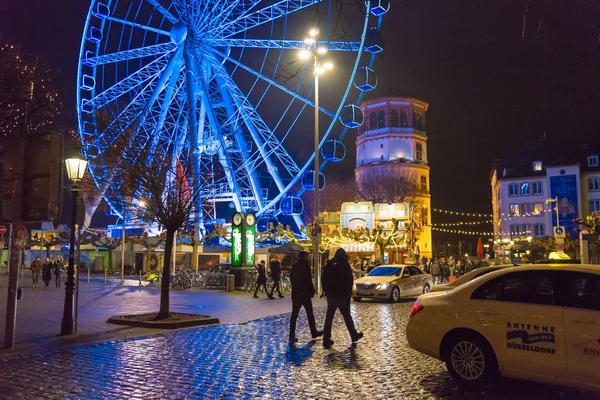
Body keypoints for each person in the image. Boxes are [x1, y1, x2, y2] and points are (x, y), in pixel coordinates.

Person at [321, 248, 363, 348]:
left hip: (331, 295)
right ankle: (353, 335)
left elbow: (324, 279)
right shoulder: (345, 266)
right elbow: (349, 280)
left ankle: (326, 339)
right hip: (343, 295)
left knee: (329, 317)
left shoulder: (330, 265)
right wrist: (349, 292)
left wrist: (326, 291)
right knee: (347, 316)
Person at [288, 251, 322, 344]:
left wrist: (296, 289)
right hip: (304, 294)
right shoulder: (305, 266)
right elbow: (307, 280)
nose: (308, 257)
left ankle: (291, 335)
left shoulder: (295, 266)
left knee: (294, 316)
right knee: (309, 314)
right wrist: (311, 290)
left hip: (296, 294)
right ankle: (314, 332)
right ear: (304, 257)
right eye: (307, 256)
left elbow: (292, 279)